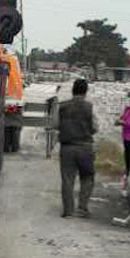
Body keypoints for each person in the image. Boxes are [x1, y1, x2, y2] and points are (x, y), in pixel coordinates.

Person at [57, 79, 98, 218]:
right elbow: (95, 128)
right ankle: (82, 208)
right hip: (85, 147)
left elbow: (55, 124)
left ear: (72, 90)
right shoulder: (89, 107)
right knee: (87, 177)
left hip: (67, 148)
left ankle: (68, 211)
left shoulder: (62, 107)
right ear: (86, 92)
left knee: (67, 179)